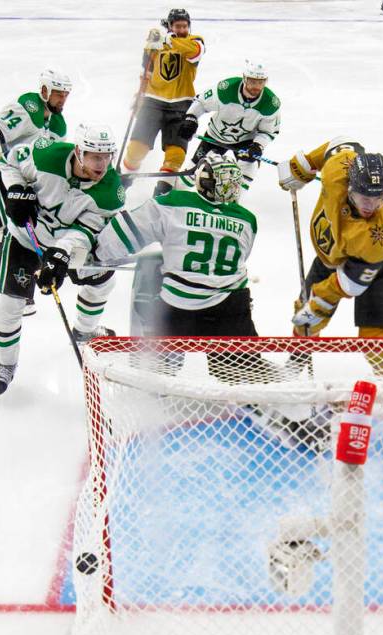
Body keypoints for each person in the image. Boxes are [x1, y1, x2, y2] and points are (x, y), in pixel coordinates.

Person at [277, 137, 383, 450]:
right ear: (349, 184)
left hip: (374, 267)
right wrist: (300, 167)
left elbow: (349, 284)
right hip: (331, 253)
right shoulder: (338, 169)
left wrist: (318, 303)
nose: (371, 205)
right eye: (363, 196)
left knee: (373, 339)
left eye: (379, 198)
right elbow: (338, 144)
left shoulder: (380, 234)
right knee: (305, 321)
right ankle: (293, 371)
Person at [94, 152, 268, 379]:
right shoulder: (247, 220)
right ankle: (244, 386)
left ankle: (157, 366)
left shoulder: (172, 204)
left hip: (179, 312)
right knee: (244, 375)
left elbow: (116, 239)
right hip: (231, 311)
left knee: (152, 267)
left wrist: (96, 252)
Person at [0, 124, 125, 399]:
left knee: (103, 276)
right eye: (95, 156)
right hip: (25, 238)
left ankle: (84, 332)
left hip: (68, 244)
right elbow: (8, 161)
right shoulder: (45, 154)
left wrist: (61, 252)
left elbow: (87, 231)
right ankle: (5, 365)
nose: (103, 164)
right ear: (78, 151)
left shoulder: (112, 192)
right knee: (8, 304)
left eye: (107, 156)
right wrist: (16, 189)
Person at [0, 69, 71, 269]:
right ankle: (3, 284)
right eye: (58, 93)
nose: (62, 99)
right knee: (4, 232)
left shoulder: (57, 125)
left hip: (6, 171)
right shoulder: (28, 108)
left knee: (14, 230)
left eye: (66, 94)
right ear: (45, 91)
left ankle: (13, 284)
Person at [122, 8, 205, 196]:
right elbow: (147, 70)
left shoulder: (195, 41)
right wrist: (139, 95)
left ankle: (162, 191)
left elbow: (194, 53)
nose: (182, 29)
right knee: (136, 150)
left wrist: (169, 40)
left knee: (175, 155)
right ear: (170, 25)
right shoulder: (157, 42)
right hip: (153, 101)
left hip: (182, 104)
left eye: (185, 26)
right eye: (178, 26)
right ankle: (124, 180)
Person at [179, 59, 280, 196]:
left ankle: (233, 204)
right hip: (215, 137)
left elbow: (268, 132)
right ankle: (175, 193)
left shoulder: (270, 103)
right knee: (195, 170)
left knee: (249, 168)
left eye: (260, 82)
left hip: (245, 143)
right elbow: (201, 102)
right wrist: (191, 118)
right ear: (244, 78)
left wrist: (258, 145)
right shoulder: (226, 89)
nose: (256, 86)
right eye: (252, 81)